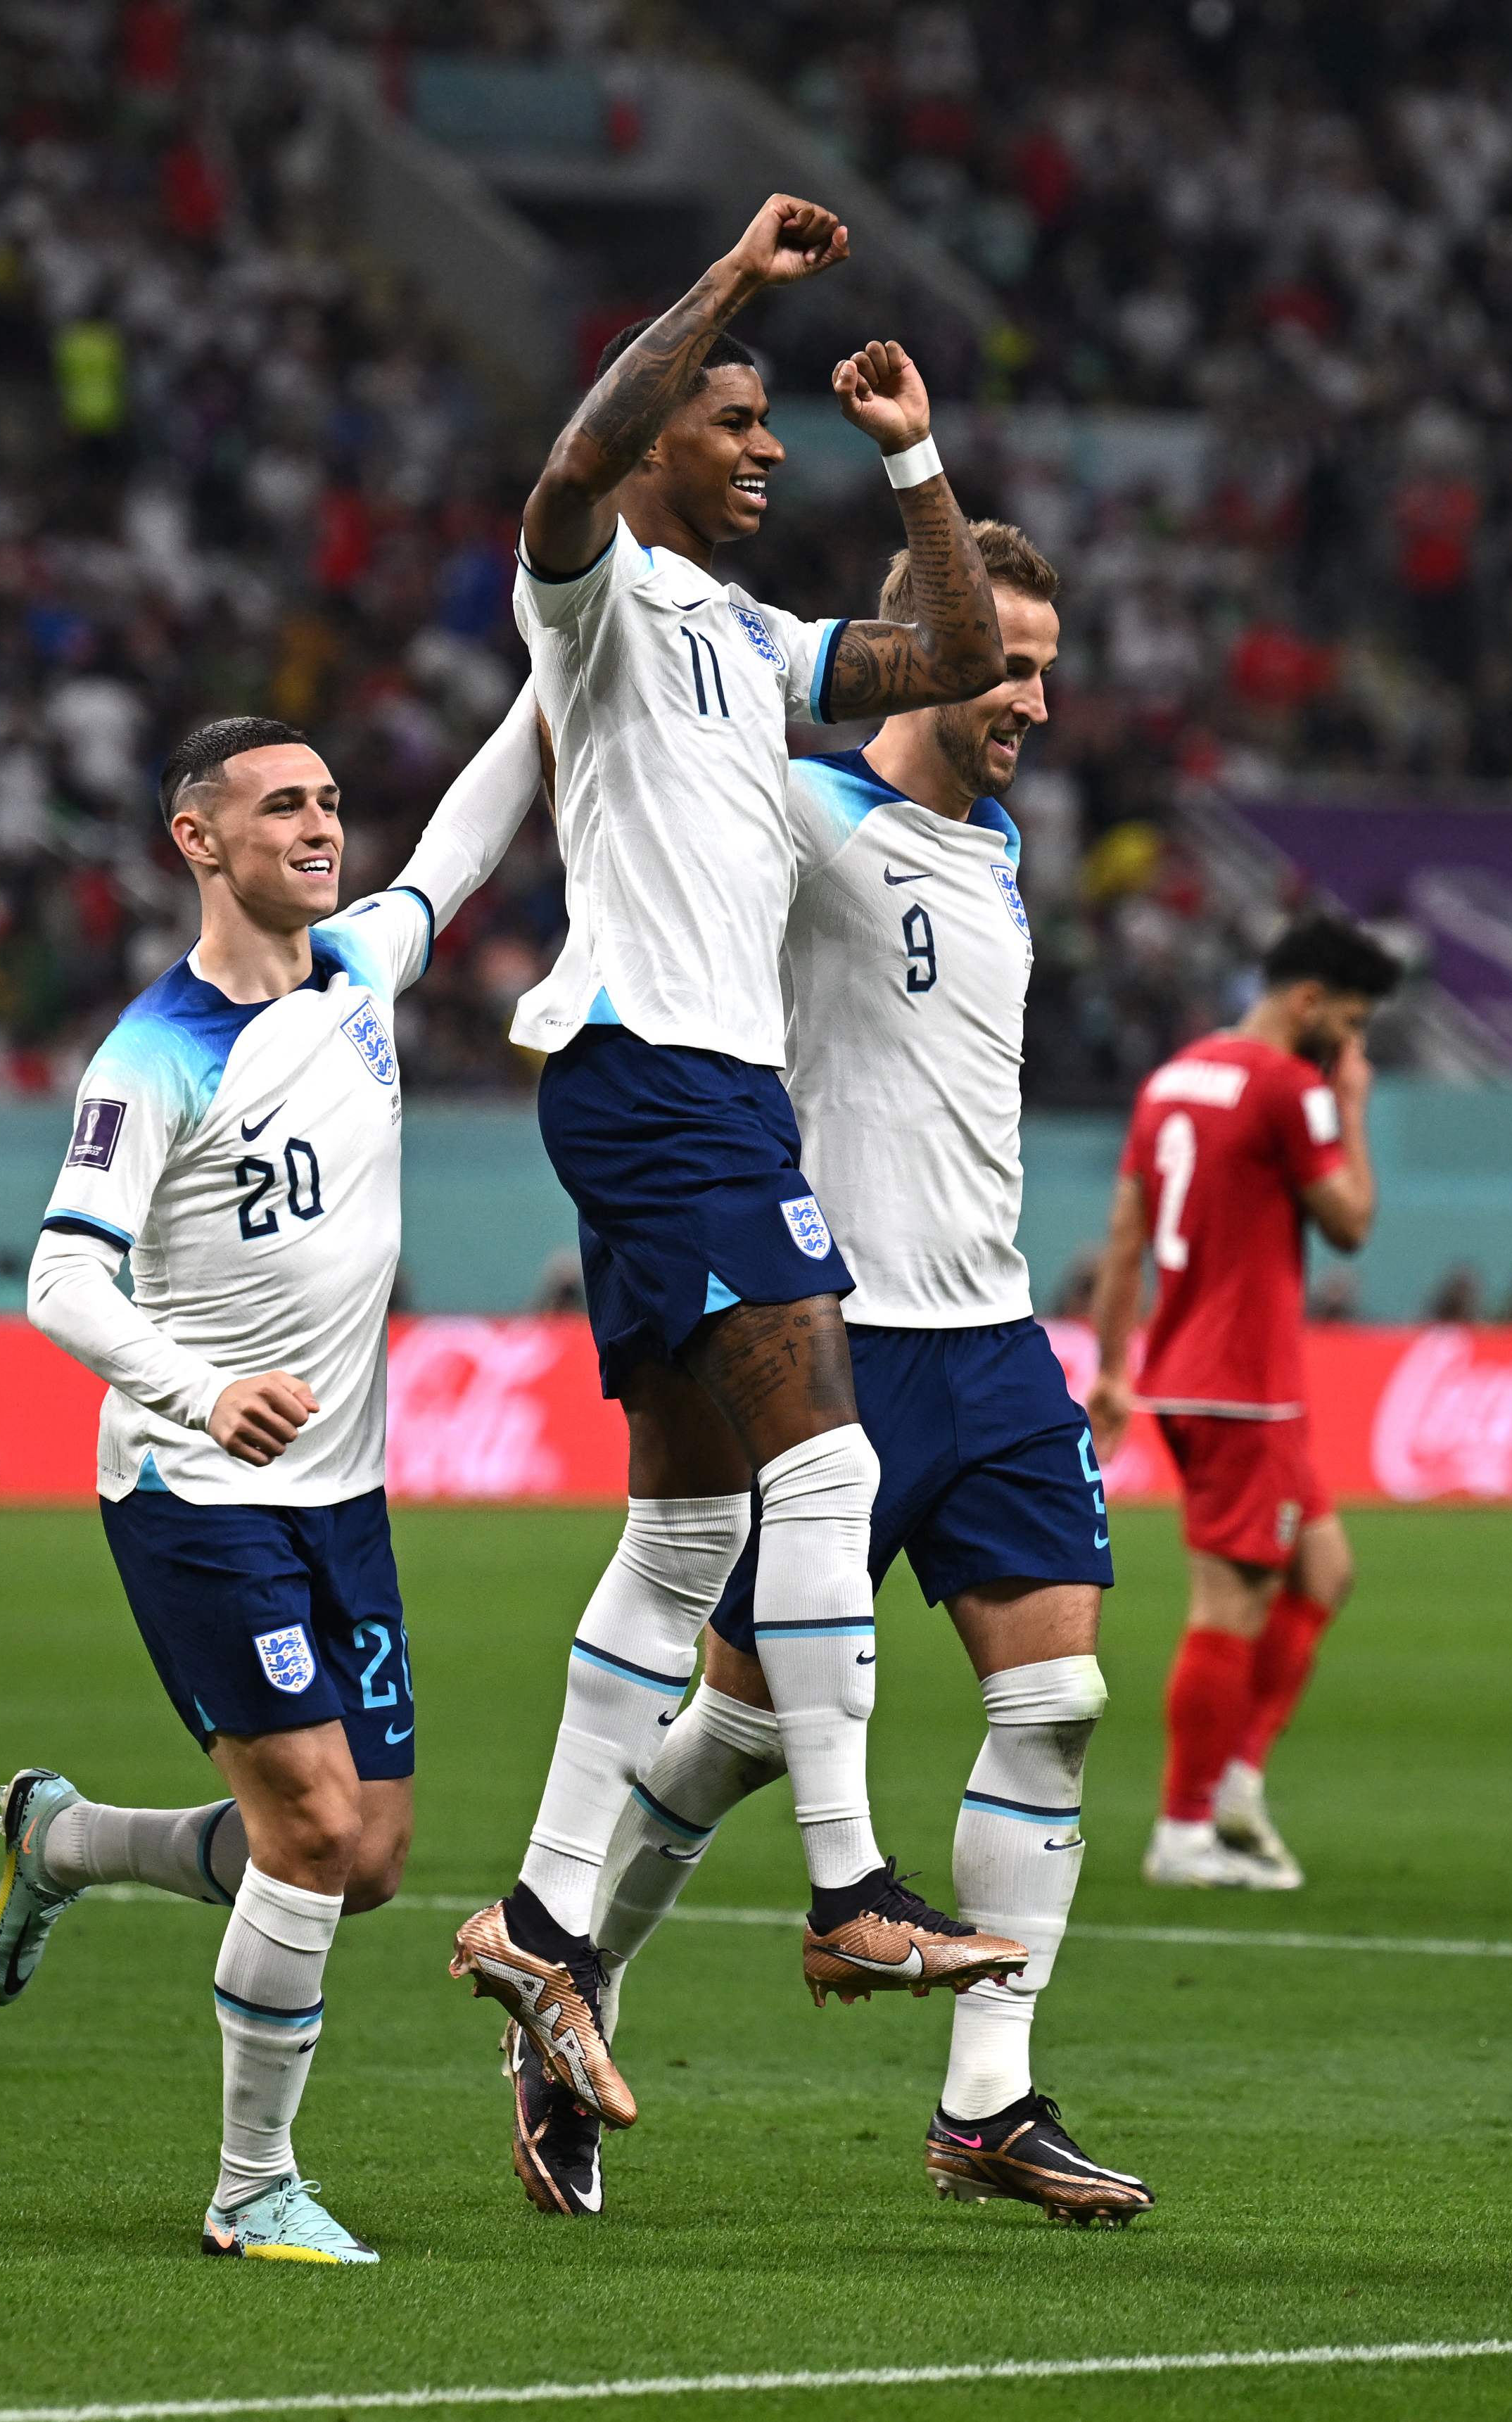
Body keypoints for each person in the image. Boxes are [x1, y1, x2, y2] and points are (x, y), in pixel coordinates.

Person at [457, 191, 1019, 2138]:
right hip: (656, 1071)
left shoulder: (758, 643)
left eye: (775, 419)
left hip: (700, 1092)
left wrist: (916, 457)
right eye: (739, 416)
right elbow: (566, 457)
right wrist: (725, 283)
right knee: (833, 1459)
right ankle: (850, 1889)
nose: (769, 442)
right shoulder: (590, 592)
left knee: (689, 1532)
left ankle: (539, 1918)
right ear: (661, 440)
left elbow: (949, 646)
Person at [561, 524, 1149, 2225]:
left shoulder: (1003, 846)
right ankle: (565, 1980)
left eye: (1044, 663)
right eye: (1005, 661)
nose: (1032, 695)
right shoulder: (804, 814)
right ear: (914, 655)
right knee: (737, 1728)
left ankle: (987, 2102)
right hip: (828, 1349)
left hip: (995, 1342)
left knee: (1055, 1704)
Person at [0, 701, 542, 2264]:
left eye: (328, 799)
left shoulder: (361, 965)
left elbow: (462, 846)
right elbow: (60, 1281)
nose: (317, 825)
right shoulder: (148, 1052)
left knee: (362, 1857)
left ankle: (68, 1842)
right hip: (191, 1486)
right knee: (303, 1826)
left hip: (339, 1494)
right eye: (279, 804)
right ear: (196, 838)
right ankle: (250, 2185)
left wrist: (554, 668)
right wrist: (199, 1386)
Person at [1088, 917, 1404, 1892]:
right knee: (1230, 1600)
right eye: (1346, 1025)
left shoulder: (1174, 1078)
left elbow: (1125, 1230)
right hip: (1242, 1390)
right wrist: (1349, 1105)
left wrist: (1109, 1365)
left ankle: (1232, 1778)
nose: (1348, 1047)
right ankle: (1182, 1831)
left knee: (1323, 1568)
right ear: (1306, 1001)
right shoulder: (1291, 1087)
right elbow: (1348, 1223)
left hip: (1192, 1371)